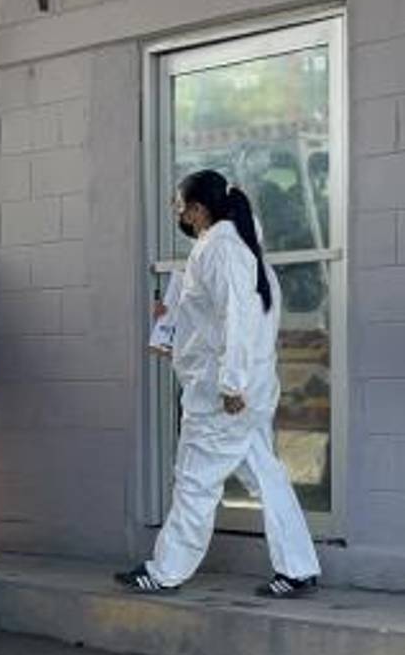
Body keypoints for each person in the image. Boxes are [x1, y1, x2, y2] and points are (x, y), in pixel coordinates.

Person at [115, 169, 321, 599]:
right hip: (243, 390)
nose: (177, 213)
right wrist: (171, 326)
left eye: (179, 205)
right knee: (266, 477)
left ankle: (165, 570)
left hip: (224, 396)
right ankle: (298, 567)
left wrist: (231, 385)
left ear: (197, 210)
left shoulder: (222, 249)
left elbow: (239, 319)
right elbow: (216, 322)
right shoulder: (238, 247)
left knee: (194, 480)